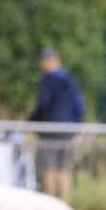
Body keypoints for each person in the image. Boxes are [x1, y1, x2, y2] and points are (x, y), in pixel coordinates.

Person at [28, 48, 85, 200]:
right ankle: (65, 204)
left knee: (50, 168)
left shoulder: (48, 80)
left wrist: (32, 121)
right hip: (67, 131)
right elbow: (79, 106)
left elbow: (43, 105)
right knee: (65, 169)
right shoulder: (70, 80)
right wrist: (75, 125)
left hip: (50, 131)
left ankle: (51, 205)